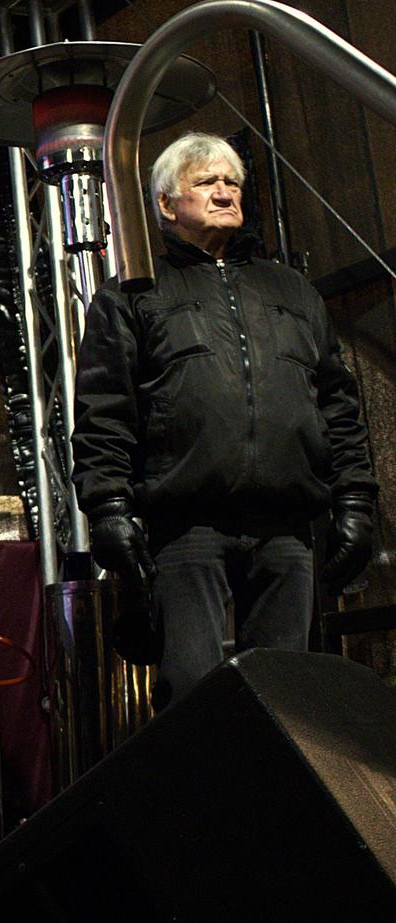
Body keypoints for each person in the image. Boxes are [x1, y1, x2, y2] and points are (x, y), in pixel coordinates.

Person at [73, 131, 376, 705]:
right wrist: (110, 509)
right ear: (166, 205)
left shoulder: (292, 290)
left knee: (288, 701)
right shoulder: (133, 293)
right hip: (187, 526)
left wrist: (356, 501)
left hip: (287, 527)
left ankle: (275, 799)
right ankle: (198, 798)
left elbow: (338, 403)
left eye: (232, 182)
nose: (223, 192)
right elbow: (103, 411)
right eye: (207, 182)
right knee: (192, 693)